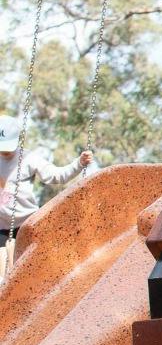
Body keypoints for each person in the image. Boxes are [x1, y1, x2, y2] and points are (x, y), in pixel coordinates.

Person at [0, 115, 94, 272]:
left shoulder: (29, 158)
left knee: (28, 269)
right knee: (2, 271)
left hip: (28, 222)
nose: (4, 152)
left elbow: (56, 175)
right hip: (2, 225)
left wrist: (79, 164)